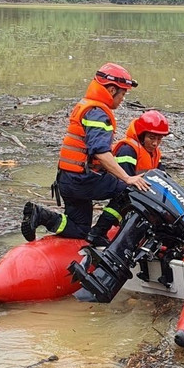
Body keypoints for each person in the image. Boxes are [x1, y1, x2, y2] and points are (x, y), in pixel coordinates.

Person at [21, 63, 149, 242]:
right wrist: (127, 178)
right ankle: (100, 231)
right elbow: (101, 153)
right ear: (112, 90)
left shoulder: (88, 106)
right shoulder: (98, 113)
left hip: (66, 179)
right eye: (123, 94)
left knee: (80, 229)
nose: (122, 99)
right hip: (82, 180)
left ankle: (41, 215)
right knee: (130, 190)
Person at [85, 110, 170, 246]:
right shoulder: (128, 150)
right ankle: (98, 231)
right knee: (123, 199)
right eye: (152, 138)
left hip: (142, 190)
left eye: (159, 139)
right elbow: (125, 180)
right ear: (142, 136)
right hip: (123, 190)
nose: (155, 143)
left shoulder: (154, 152)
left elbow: (161, 175)